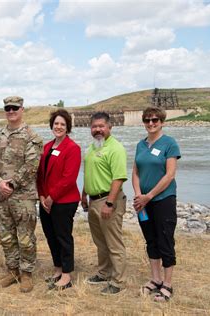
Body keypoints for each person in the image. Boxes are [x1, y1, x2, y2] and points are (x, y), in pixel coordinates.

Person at [0, 96, 43, 293]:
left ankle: (26, 273)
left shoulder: (31, 137)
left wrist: (11, 183)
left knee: (25, 237)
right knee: (7, 237)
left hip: (24, 196)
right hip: (2, 196)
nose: (11, 111)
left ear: (22, 109)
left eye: (15, 108)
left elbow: (32, 165)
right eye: (8, 108)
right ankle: (12, 271)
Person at [132, 107, 181, 302]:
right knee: (150, 240)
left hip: (163, 200)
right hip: (143, 202)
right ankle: (155, 280)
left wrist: (149, 196)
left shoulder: (169, 143)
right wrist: (138, 196)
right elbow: (135, 172)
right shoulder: (140, 145)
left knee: (165, 240)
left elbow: (170, 175)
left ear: (162, 122)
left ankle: (167, 284)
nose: (151, 123)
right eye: (147, 120)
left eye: (155, 120)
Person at [81, 111, 127, 295]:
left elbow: (118, 178)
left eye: (101, 126)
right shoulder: (92, 148)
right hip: (93, 200)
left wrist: (109, 203)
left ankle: (118, 281)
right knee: (100, 242)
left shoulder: (116, 148)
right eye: (94, 126)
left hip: (108, 201)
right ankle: (104, 272)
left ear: (109, 127)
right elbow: (89, 173)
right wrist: (84, 194)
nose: (98, 129)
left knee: (114, 243)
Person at [36, 109, 81, 291]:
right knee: (51, 236)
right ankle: (57, 269)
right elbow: (40, 175)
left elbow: (68, 178)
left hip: (63, 201)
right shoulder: (46, 147)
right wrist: (41, 195)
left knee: (63, 237)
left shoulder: (72, 148)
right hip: (45, 201)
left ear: (67, 127)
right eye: (56, 124)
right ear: (52, 126)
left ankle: (66, 275)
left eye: (62, 124)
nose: (59, 127)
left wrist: (52, 197)